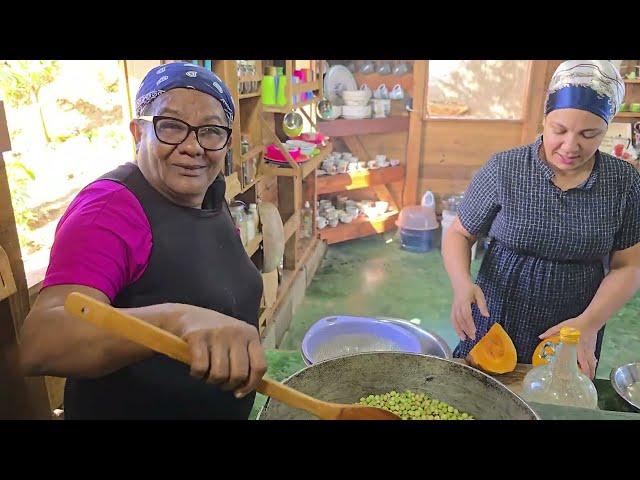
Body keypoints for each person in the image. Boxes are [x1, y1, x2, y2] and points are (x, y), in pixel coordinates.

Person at [19, 62, 267, 419]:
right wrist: (176, 320)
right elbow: (41, 342)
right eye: (170, 126)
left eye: (211, 131)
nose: (193, 146)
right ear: (138, 133)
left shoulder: (210, 192)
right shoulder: (110, 209)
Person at [442, 60, 640, 378]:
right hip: (497, 313)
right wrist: (462, 284)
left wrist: (589, 323)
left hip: (577, 320)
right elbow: (459, 234)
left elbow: (628, 266)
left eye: (589, 134)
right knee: (481, 392)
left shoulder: (623, 182)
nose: (570, 146)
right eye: (559, 130)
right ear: (544, 119)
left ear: (607, 128)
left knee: (557, 400)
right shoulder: (505, 168)